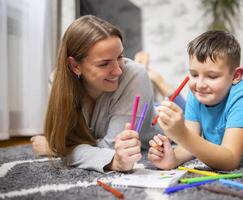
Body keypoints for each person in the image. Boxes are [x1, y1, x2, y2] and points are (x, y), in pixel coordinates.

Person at [148, 30, 243, 171]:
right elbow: (189, 145)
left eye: (212, 76)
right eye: (194, 74)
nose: (199, 84)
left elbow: (230, 160)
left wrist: (181, 134)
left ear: (236, 75)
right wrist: (173, 158)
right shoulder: (197, 94)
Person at [31, 15, 158, 172]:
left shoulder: (135, 75)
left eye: (120, 57)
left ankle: (152, 73)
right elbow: (69, 140)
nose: (118, 70)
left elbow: (112, 149)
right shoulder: (58, 80)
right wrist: (68, 146)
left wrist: (57, 148)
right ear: (75, 66)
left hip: (152, 132)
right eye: (104, 64)